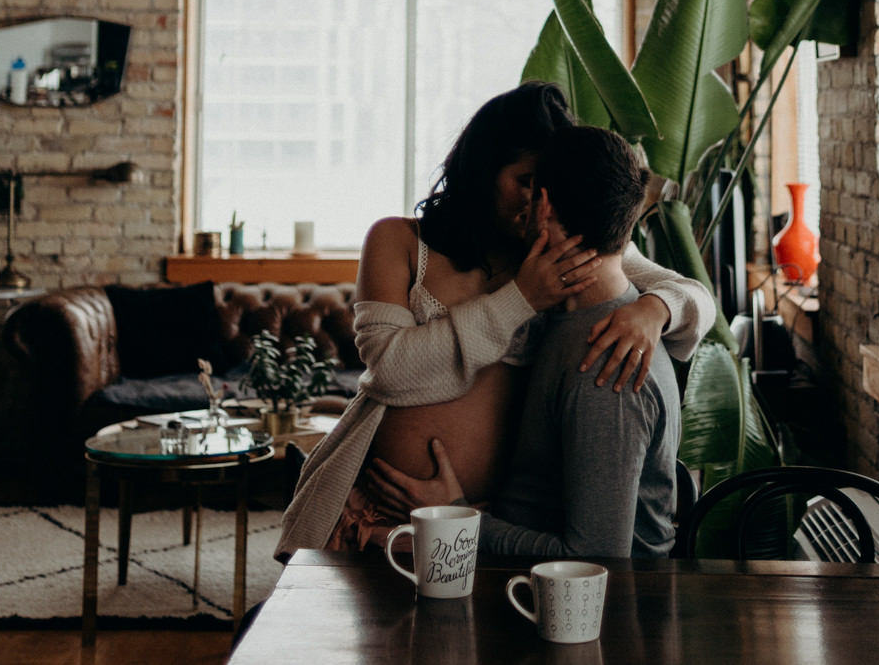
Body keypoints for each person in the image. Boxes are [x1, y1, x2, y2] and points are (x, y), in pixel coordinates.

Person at [277, 83, 712, 556]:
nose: (535, 200)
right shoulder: (399, 241)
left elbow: (694, 295)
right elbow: (388, 372)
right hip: (375, 507)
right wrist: (521, 298)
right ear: (484, 170)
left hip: (492, 522)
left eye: (546, 187)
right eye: (525, 180)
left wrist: (655, 309)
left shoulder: (560, 246)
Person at [365, 124, 680, 558]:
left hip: (581, 612)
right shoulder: (566, 315)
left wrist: (456, 515)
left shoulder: (607, 365)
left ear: (543, 204)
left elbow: (595, 562)